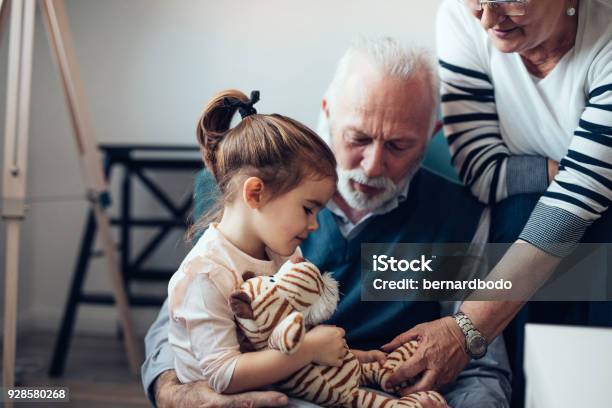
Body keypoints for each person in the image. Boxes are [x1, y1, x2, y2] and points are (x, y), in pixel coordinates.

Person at [142, 38, 512, 408]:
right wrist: (178, 394)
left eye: (398, 146)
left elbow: (479, 367)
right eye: (358, 138)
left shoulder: (459, 217)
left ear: (428, 138)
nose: (372, 165)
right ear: (328, 113)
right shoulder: (249, 189)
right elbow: (180, 327)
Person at [381, 0, 612, 397]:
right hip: (527, 224)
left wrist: (465, 329)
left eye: (512, 1)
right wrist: (565, 172)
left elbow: (576, 207)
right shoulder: (459, 18)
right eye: (479, 1)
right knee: (519, 214)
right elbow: (482, 171)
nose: (488, 19)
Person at [167, 88, 353, 394]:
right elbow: (223, 375)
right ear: (255, 193)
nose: (315, 224)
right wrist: (308, 350)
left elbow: (286, 339)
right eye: (308, 208)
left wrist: (352, 359)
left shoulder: (282, 254)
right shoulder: (206, 274)